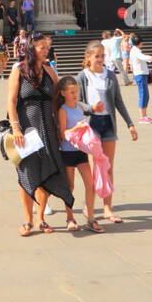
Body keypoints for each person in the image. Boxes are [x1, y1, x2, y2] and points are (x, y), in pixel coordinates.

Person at [6, 30, 73, 236]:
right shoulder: (19, 70)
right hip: (26, 129)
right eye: (42, 47)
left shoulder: (50, 71)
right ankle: (27, 220)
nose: (46, 51)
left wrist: (61, 127)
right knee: (27, 172)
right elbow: (11, 100)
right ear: (31, 48)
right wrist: (15, 127)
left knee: (46, 171)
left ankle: (41, 218)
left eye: (47, 47)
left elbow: (56, 100)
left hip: (47, 129)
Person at [76, 41, 138, 224]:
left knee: (108, 167)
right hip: (91, 125)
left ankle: (107, 208)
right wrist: (90, 107)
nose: (101, 59)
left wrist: (130, 124)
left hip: (108, 124)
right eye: (97, 56)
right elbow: (76, 101)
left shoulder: (110, 75)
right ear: (88, 57)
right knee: (95, 168)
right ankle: (90, 205)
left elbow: (118, 102)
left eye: (103, 56)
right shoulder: (82, 76)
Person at [57, 75, 100, 232]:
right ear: (63, 93)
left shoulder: (80, 107)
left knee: (91, 184)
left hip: (80, 150)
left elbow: (91, 111)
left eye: (76, 91)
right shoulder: (63, 110)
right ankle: (70, 217)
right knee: (70, 186)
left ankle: (90, 217)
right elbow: (63, 133)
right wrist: (76, 128)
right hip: (67, 151)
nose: (75, 95)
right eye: (71, 92)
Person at [128, 33, 152, 124]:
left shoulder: (135, 50)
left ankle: (144, 115)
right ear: (139, 43)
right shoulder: (135, 51)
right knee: (143, 95)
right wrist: (149, 58)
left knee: (145, 95)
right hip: (140, 74)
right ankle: (142, 117)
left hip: (141, 74)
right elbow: (141, 57)